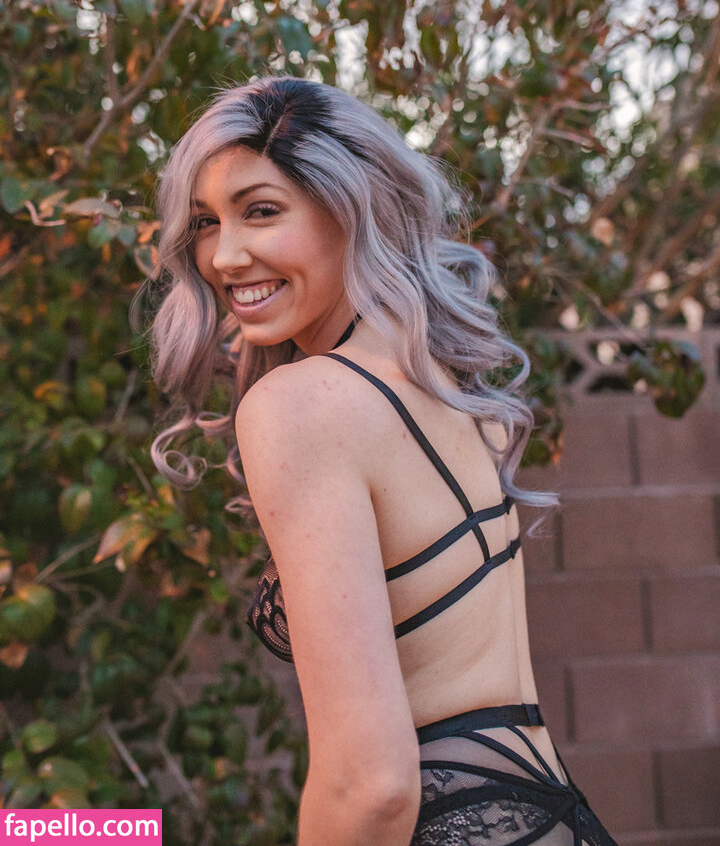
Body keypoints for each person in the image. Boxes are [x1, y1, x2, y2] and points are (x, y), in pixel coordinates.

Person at [145, 75, 619, 846]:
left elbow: (370, 787)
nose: (224, 256)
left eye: (261, 211)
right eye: (205, 222)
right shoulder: (446, 385)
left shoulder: (300, 406)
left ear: (350, 208)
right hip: (556, 819)